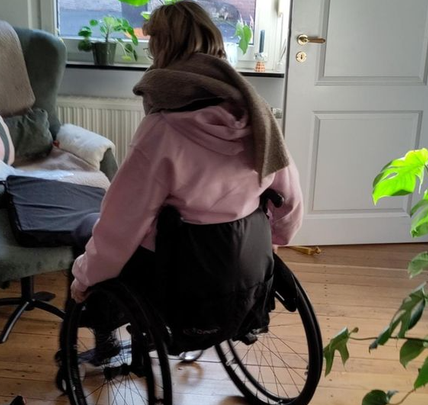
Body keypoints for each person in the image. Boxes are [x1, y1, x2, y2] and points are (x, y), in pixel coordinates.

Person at [70, 0, 303, 304]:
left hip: (179, 277)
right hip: (248, 271)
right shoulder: (258, 116)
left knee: (86, 229)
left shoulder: (162, 129)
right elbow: (289, 198)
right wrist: (273, 239)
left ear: (160, 49)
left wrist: (84, 278)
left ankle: (102, 325)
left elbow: (122, 221)